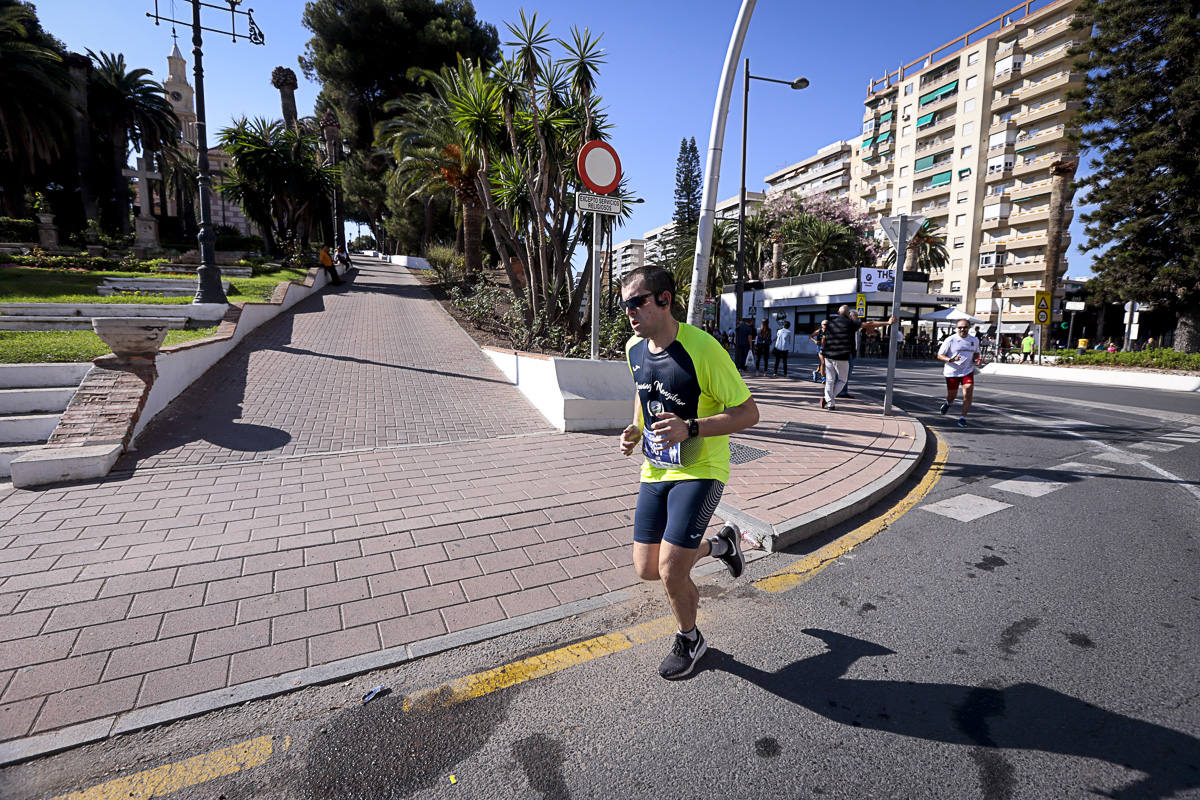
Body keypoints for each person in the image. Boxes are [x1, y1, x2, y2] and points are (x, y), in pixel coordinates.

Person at [618, 266, 760, 679]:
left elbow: (748, 413)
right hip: (657, 469)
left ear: (664, 299)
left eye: (636, 302)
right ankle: (722, 546)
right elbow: (644, 396)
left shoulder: (703, 349)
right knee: (647, 568)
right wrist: (635, 430)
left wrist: (692, 427)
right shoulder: (633, 348)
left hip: (702, 469)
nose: (629, 312)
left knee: (670, 571)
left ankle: (690, 638)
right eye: (624, 304)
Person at [821, 306, 894, 411]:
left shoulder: (830, 324)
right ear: (848, 314)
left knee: (830, 380)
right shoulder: (850, 323)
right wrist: (887, 323)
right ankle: (828, 399)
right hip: (841, 356)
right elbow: (869, 324)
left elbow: (824, 339)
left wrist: (823, 352)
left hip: (828, 355)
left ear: (838, 312)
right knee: (842, 380)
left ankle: (829, 401)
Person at [937, 320, 980, 428]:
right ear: (957, 328)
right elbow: (940, 355)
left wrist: (977, 359)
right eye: (960, 327)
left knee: (968, 392)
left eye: (965, 327)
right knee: (952, 395)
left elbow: (976, 353)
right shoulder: (951, 339)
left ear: (969, 327)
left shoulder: (974, 340)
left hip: (967, 371)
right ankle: (948, 403)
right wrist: (951, 359)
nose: (962, 329)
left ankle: (962, 418)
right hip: (952, 372)